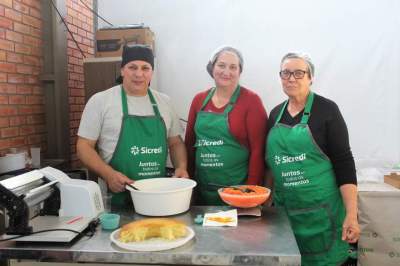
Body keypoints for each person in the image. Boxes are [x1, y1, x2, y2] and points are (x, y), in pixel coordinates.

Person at [265, 52, 359, 266]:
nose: (291, 78)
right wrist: (264, 201)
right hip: (285, 214)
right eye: (285, 73)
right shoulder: (274, 115)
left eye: (299, 73)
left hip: (323, 214)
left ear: (310, 77)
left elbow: (344, 163)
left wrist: (352, 214)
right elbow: (270, 165)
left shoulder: (327, 110)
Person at [77, 44, 189, 206]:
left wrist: (181, 166)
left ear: (152, 72)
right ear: (122, 70)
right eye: (132, 67)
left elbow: (176, 142)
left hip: (156, 195)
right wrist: (109, 175)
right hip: (116, 196)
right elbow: (83, 147)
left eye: (145, 68)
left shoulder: (165, 102)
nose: (139, 74)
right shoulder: (101, 101)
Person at [185, 46, 268, 205]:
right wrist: (188, 186)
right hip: (202, 190)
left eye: (233, 67)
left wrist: (249, 191)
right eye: (221, 65)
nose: (226, 72)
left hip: (237, 192)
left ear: (239, 71)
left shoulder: (251, 101)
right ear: (212, 67)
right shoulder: (199, 100)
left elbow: (258, 151)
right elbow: (189, 144)